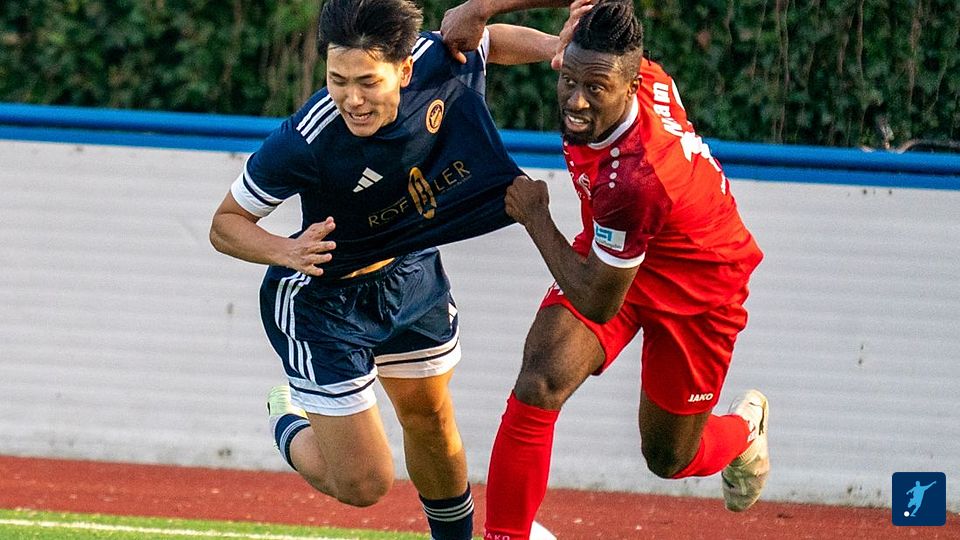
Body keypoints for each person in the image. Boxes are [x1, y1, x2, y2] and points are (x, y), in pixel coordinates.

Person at [208, 0, 557, 538]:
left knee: (432, 421)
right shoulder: (307, 139)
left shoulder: (437, 62)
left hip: (411, 275)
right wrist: (286, 250)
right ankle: (287, 413)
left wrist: (556, 49)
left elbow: (488, 42)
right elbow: (225, 224)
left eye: (367, 82)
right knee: (365, 483)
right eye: (337, 80)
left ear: (405, 70)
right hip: (324, 301)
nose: (351, 99)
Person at [443, 1, 768, 538]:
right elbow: (526, 43)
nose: (575, 101)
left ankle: (744, 432)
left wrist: (535, 216)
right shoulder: (605, 57)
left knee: (668, 458)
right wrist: (480, 9)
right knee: (540, 379)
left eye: (594, 89)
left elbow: (597, 301)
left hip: (700, 283)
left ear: (632, 85)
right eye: (568, 80)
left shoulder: (635, 176)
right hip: (618, 248)